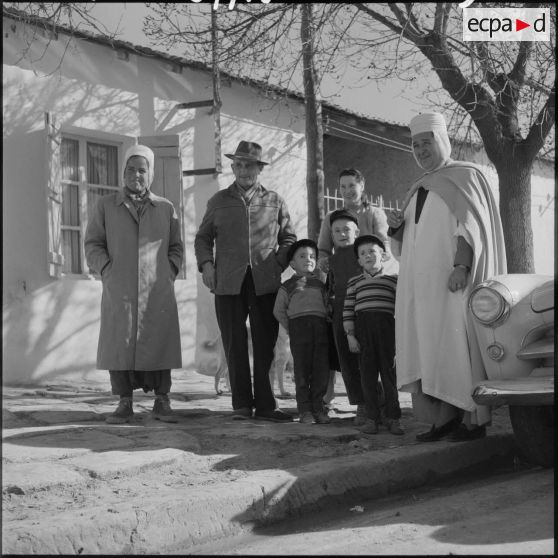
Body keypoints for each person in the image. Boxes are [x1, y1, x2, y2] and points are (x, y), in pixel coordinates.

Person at [387, 111, 507, 442]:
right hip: (421, 291)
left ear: (442, 141)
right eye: (415, 145)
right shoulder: (418, 188)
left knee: (456, 348)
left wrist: (462, 266)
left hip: (453, 284)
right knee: (429, 351)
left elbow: (469, 229)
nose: (421, 150)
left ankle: (472, 421)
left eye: (426, 143)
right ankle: (443, 420)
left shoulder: (466, 176)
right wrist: (396, 228)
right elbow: (407, 246)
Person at [194, 140, 297, 422]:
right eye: (238, 165)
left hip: (265, 281)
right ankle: (241, 404)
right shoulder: (218, 201)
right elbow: (203, 238)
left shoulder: (274, 200)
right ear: (232, 167)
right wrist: (206, 266)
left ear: (258, 168)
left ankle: (266, 405)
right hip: (227, 281)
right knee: (234, 341)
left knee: (265, 342)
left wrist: (277, 263)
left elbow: (289, 238)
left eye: (249, 165)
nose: (243, 170)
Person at [85, 144, 183, 424]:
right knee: (120, 343)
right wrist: (107, 269)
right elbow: (93, 243)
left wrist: (168, 270)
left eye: (142, 170)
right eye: (130, 169)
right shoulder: (106, 206)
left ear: (150, 174)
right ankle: (124, 401)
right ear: (123, 172)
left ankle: (162, 401)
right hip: (120, 288)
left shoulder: (165, 208)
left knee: (161, 341)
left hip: (157, 288)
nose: (136, 175)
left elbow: (176, 246)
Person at [326, 209, 384, 426]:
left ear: (357, 231)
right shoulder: (330, 260)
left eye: (347, 230)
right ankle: (362, 404)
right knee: (348, 362)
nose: (342, 234)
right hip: (340, 314)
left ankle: (377, 402)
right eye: (337, 231)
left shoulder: (362, 254)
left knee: (368, 360)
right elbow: (330, 286)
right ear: (331, 234)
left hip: (365, 312)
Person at [343, 235, 402, 435]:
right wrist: (351, 336)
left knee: (390, 376)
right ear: (359, 260)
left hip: (387, 333)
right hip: (363, 334)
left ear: (383, 256)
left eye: (372, 251)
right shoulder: (354, 282)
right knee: (367, 378)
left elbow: (401, 310)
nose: (368, 255)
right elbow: (348, 310)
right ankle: (372, 419)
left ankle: (393, 418)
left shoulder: (393, 280)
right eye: (363, 253)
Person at [273, 239, 331, 425]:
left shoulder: (321, 284)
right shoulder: (287, 286)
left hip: (321, 330)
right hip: (299, 331)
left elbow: (328, 305)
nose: (308, 259)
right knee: (302, 372)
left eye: (312, 256)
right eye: (302, 256)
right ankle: (305, 410)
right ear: (292, 263)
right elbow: (278, 310)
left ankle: (319, 408)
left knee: (321, 370)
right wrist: (291, 327)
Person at [317, 168, 391, 271]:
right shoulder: (330, 217)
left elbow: (384, 244)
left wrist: (383, 255)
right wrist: (324, 262)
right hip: (342, 276)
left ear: (362, 186)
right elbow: (323, 251)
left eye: (351, 185)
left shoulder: (375, 214)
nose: (347, 191)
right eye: (343, 187)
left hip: (370, 276)